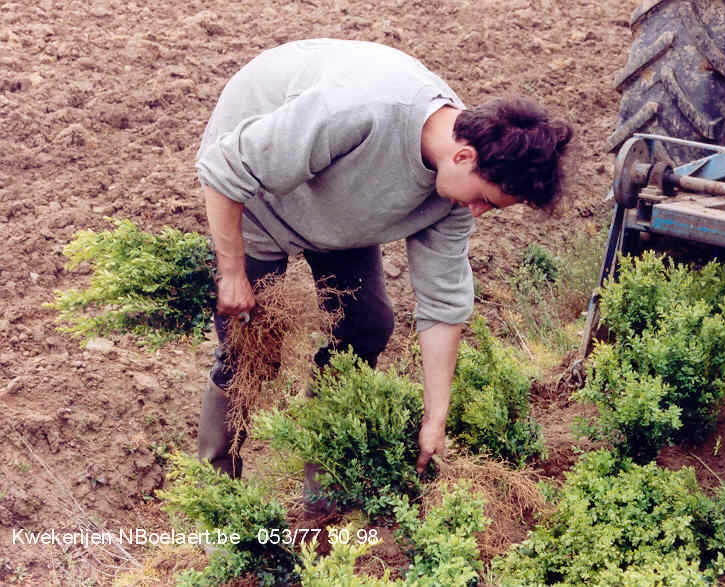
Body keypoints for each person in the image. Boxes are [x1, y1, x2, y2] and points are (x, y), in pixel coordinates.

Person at [194, 38, 572, 493]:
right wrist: (232, 273)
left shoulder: (453, 196)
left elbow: (442, 304)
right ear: (464, 156)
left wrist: (435, 419)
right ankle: (217, 502)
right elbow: (224, 169)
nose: (477, 214)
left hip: (341, 206)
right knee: (250, 350)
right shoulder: (357, 110)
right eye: (484, 200)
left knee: (366, 326)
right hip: (257, 196)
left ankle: (324, 490)